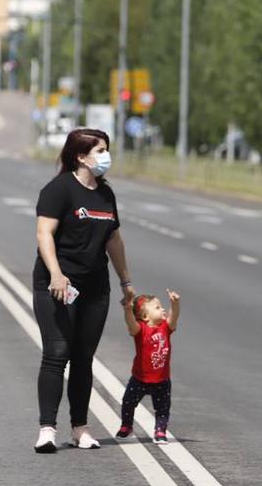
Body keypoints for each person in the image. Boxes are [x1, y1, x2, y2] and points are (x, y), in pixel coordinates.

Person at [33, 128, 135, 453]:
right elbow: (44, 233)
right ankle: (47, 429)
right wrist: (56, 274)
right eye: (100, 150)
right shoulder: (59, 190)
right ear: (81, 156)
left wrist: (126, 282)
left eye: (107, 149)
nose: (106, 156)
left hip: (95, 287)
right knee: (57, 353)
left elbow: (113, 240)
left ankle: (80, 428)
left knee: (83, 358)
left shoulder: (106, 195)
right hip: (57, 283)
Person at [116, 290, 180, 445]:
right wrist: (127, 309)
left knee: (163, 408)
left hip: (162, 379)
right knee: (128, 402)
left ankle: (160, 430)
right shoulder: (140, 331)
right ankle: (126, 425)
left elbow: (174, 317)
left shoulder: (166, 328)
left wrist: (175, 303)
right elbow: (130, 323)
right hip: (140, 378)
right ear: (145, 316)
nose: (162, 309)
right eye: (157, 308)